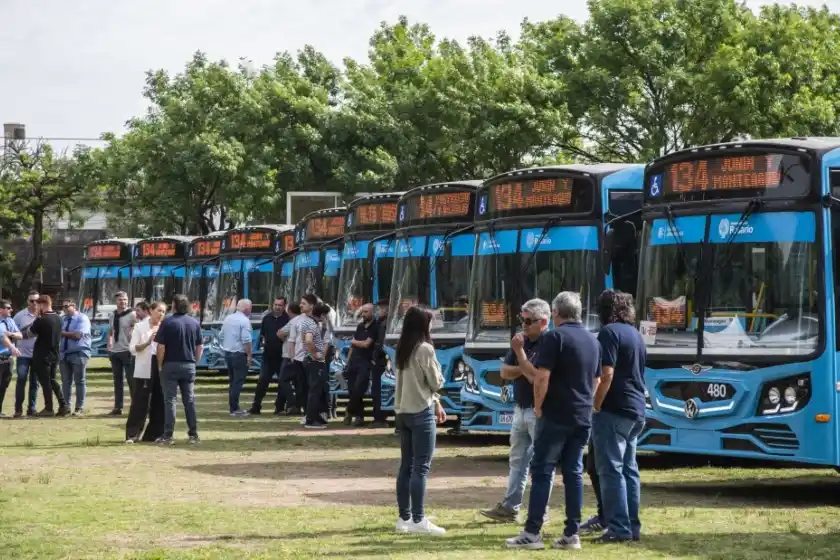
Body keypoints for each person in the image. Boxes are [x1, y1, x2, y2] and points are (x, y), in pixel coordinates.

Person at [505, 292, 601, 551]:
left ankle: (533, 532)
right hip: (582, 415)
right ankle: (572, 533)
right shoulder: (593, 340)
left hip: (556, 414)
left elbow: (541, 378)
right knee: (573, 472)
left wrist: (538, 407)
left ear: (556, 314)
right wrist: (586, 403)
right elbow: (597, 379)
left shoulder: (555, 337)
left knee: (542, 470)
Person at [481, 299, 553, 523]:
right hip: (520, 408)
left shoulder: (548, 343)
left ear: (544, 321)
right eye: (522, 319)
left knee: (542, 463)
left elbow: (536, 377)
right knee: (517, 460)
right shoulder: (520, 342)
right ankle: (510, 507)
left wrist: (521, 357)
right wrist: (525, 366)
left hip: (539, 410)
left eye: (528, 321)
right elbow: (504, 372)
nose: (523, 325)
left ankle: (541, 511)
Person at [591, 290, 646, 544]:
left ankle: (619, 527)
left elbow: (607, 373)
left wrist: (596, 404)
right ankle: (632, 526)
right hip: (636, 408)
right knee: (629, 469)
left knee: (610, 470)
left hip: (614, 408)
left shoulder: (608, 333)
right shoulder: (635, 334)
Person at [394, 306, 447, 536]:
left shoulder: (402, 347)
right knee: (421, 467)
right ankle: (419, 519)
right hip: (420, 413)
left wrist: (436, 402)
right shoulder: (424, 348)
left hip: (403, 412)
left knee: (406, 466)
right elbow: (437, 382)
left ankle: (404, 517)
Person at [155, 294, 203, 445]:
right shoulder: (194, 323)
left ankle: (168, 435)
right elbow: (200, 346)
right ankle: (193, 433)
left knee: (170, 400)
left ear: (174, 306)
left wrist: (160, 364)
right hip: (188, 364)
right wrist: (194, 362)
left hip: (170, 364)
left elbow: (160, 347)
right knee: (189, 400)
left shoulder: (167, 322)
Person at [125, 302, 166, 443]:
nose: (161, 314)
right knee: (140, 401)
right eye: (159, 310)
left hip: (161, 365)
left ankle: (154, 434)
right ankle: (133, 433)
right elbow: (132, 348)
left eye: (164, 311)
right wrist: (148, 342)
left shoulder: (165, 327)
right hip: (144, 365)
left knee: (159, 401)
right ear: (151, 311)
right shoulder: (140, 326)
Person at [27, 296, 70, 417]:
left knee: (45, 382)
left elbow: (30, 333)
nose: (37, 307)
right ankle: (63, 405)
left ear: (43, 304)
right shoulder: (59, 319)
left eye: (38, 305)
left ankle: (48, 408)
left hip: (42, 355)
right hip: (55, 354)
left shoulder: (41, 320)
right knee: (52, 380)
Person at [250, 297, 289, 415]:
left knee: (282, 383)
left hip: (282, 356)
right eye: (276, 305)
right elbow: (262, 334)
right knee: (263, 381)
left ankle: (279, 407)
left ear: (284, 306)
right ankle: (256, 406)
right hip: (268, 356)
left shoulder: (287, 320)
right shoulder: (266, 319)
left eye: (280, 305)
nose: (277, 307)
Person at [344, 303, 377, 427]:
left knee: (359, 389)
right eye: (362, 312)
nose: (363, 314)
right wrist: (348, 361)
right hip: (354, 361)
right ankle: (359, 417)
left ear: (373, 312)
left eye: (366, 312)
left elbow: (366, 344)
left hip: (366, 362)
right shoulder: (360, 326)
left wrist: (352, 341)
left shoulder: (375, 327)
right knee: (352, 390)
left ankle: (349, 411)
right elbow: (354, 346)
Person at [219, 298, 253, 417]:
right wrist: (249, 355)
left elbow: (221, 335)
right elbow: (246, 340)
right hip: (239, 354)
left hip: (228, 353)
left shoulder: (228, 318)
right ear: (247, 309)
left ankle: (232, 406)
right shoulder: (245, 321)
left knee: (232, 381)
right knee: (238, 381)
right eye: (250, 308)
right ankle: (235, 408)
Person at [301, 297, 330, 429]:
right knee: (315, 391)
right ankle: (311, 420)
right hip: (314, 361)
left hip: (310, 360)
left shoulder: (309, 322)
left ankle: (315, 415)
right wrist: (314, 354)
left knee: (316, 389)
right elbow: (308, 340)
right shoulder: (312, 325)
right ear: (322, 315)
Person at [59, 300, 92, 415]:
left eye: (67, 306)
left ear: (74, 306)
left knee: (79, 381)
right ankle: (66, 407)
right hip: (64, 354)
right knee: (65, 382)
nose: (65, 308)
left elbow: (77, 335)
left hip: (79, 353)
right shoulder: (62, 319)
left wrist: (61, 332)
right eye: (63, 307)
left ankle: (79, 408)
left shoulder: (82, 318)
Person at [108, 291, 137, 416]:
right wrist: (109, 344)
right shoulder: (112, 315)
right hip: (115, 351)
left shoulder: (133, 315)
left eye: (125, 299)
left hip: (127, 351)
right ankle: (118, 407)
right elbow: (111, 331)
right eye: (120, 300)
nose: (123, 302)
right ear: (116, 301)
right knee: (117, 381)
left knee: (131, 380)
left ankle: (135, 407)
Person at [13, 291, 40, 417]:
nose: (34, 303)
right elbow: (12, 333)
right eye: (32, 301)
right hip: (23, 354)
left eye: (37, 301)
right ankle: (18, 409)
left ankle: (32, 408)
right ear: (28, 301)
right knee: (21, 379)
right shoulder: (20, 316)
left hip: (38, 355)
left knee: (35, 382)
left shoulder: (43, 315)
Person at [278, 302, 306, 416]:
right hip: (302, 355)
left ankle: (293, 403)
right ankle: (297, 406)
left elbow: (280, 333)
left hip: (290, 355)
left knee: (283, 379)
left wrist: (284, 338)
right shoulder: (306, 320)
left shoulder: (293, 321)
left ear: (289, 311)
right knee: (299, 382)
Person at [0, 300, 22, 417]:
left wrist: (11, 334)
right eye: (8, 308)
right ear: (1, 309)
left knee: (4, 385)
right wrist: (12, 348)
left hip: (8, 359)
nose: (11, 310)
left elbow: (20, 335)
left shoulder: (10, 321)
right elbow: (2, 337)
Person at [370, 298, 389, 427]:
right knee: (376, 389)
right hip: (377, 360)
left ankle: (380, 418)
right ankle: (378, 416)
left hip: (384, 360)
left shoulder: (388, 325)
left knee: (379, 389)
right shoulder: (378, 323)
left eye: (382, 308)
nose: (379, 311)